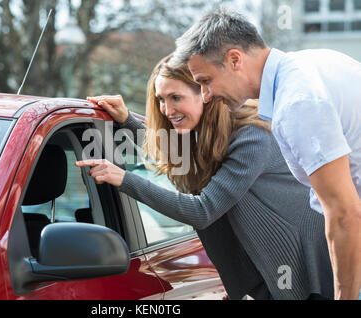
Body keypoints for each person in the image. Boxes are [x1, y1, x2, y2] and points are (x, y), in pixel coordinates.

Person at [76, 55, 334, 300]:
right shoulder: (209, 135)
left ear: (206, 94)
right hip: (267, 274)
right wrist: (127, 120)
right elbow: (174, 154)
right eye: (161, 100)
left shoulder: (252, 138)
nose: (166, 109)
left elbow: (203, 210)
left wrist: (124, 179)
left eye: (176, 97)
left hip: (305, 274)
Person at [170, 9, 361, 300]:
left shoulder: (296, 102)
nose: (205, 95)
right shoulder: (310, 63)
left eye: (206, 80)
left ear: (235, 59)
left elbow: (345, 214)